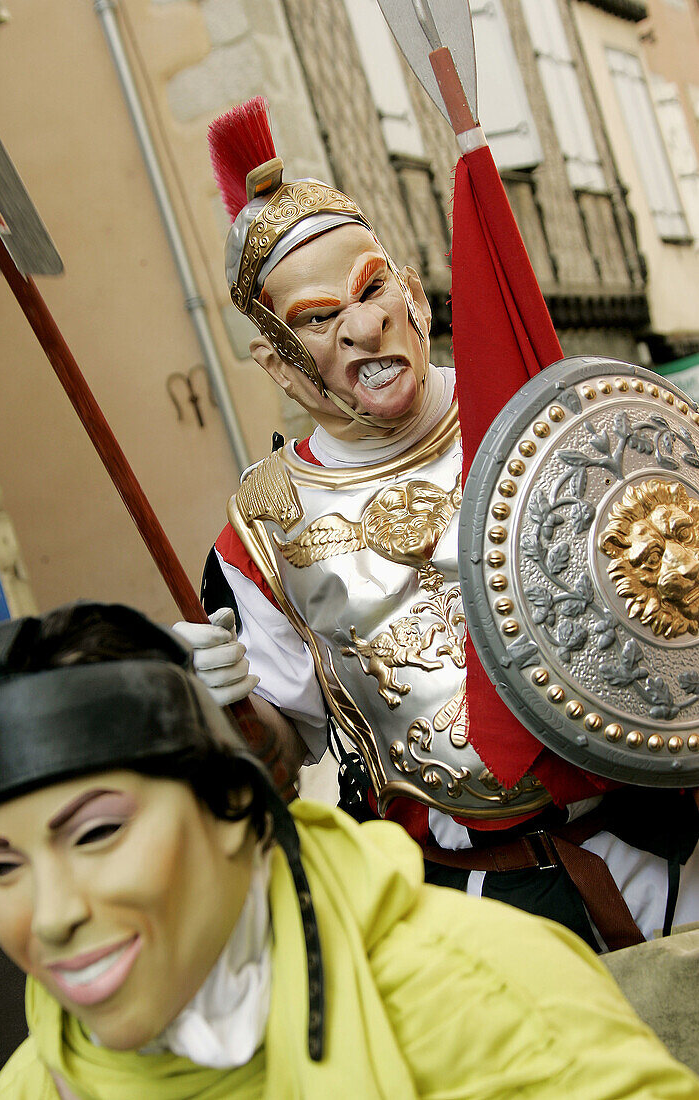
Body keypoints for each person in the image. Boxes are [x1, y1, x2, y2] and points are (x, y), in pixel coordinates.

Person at [176, 97, 699, 954]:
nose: (363, 324)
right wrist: (223, 707)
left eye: (372, 286)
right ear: (274, 358)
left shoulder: (541, 411)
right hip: (475, 908)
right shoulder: (260, 529)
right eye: (315, 318)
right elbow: (279, 756)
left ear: (410, 288)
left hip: (665, 838)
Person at [0, 601, 699, 1099]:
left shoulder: (486, 1000)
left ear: (231, 808)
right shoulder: (33, 1087)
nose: (52, 915)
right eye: (0, 865)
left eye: (98, 833)